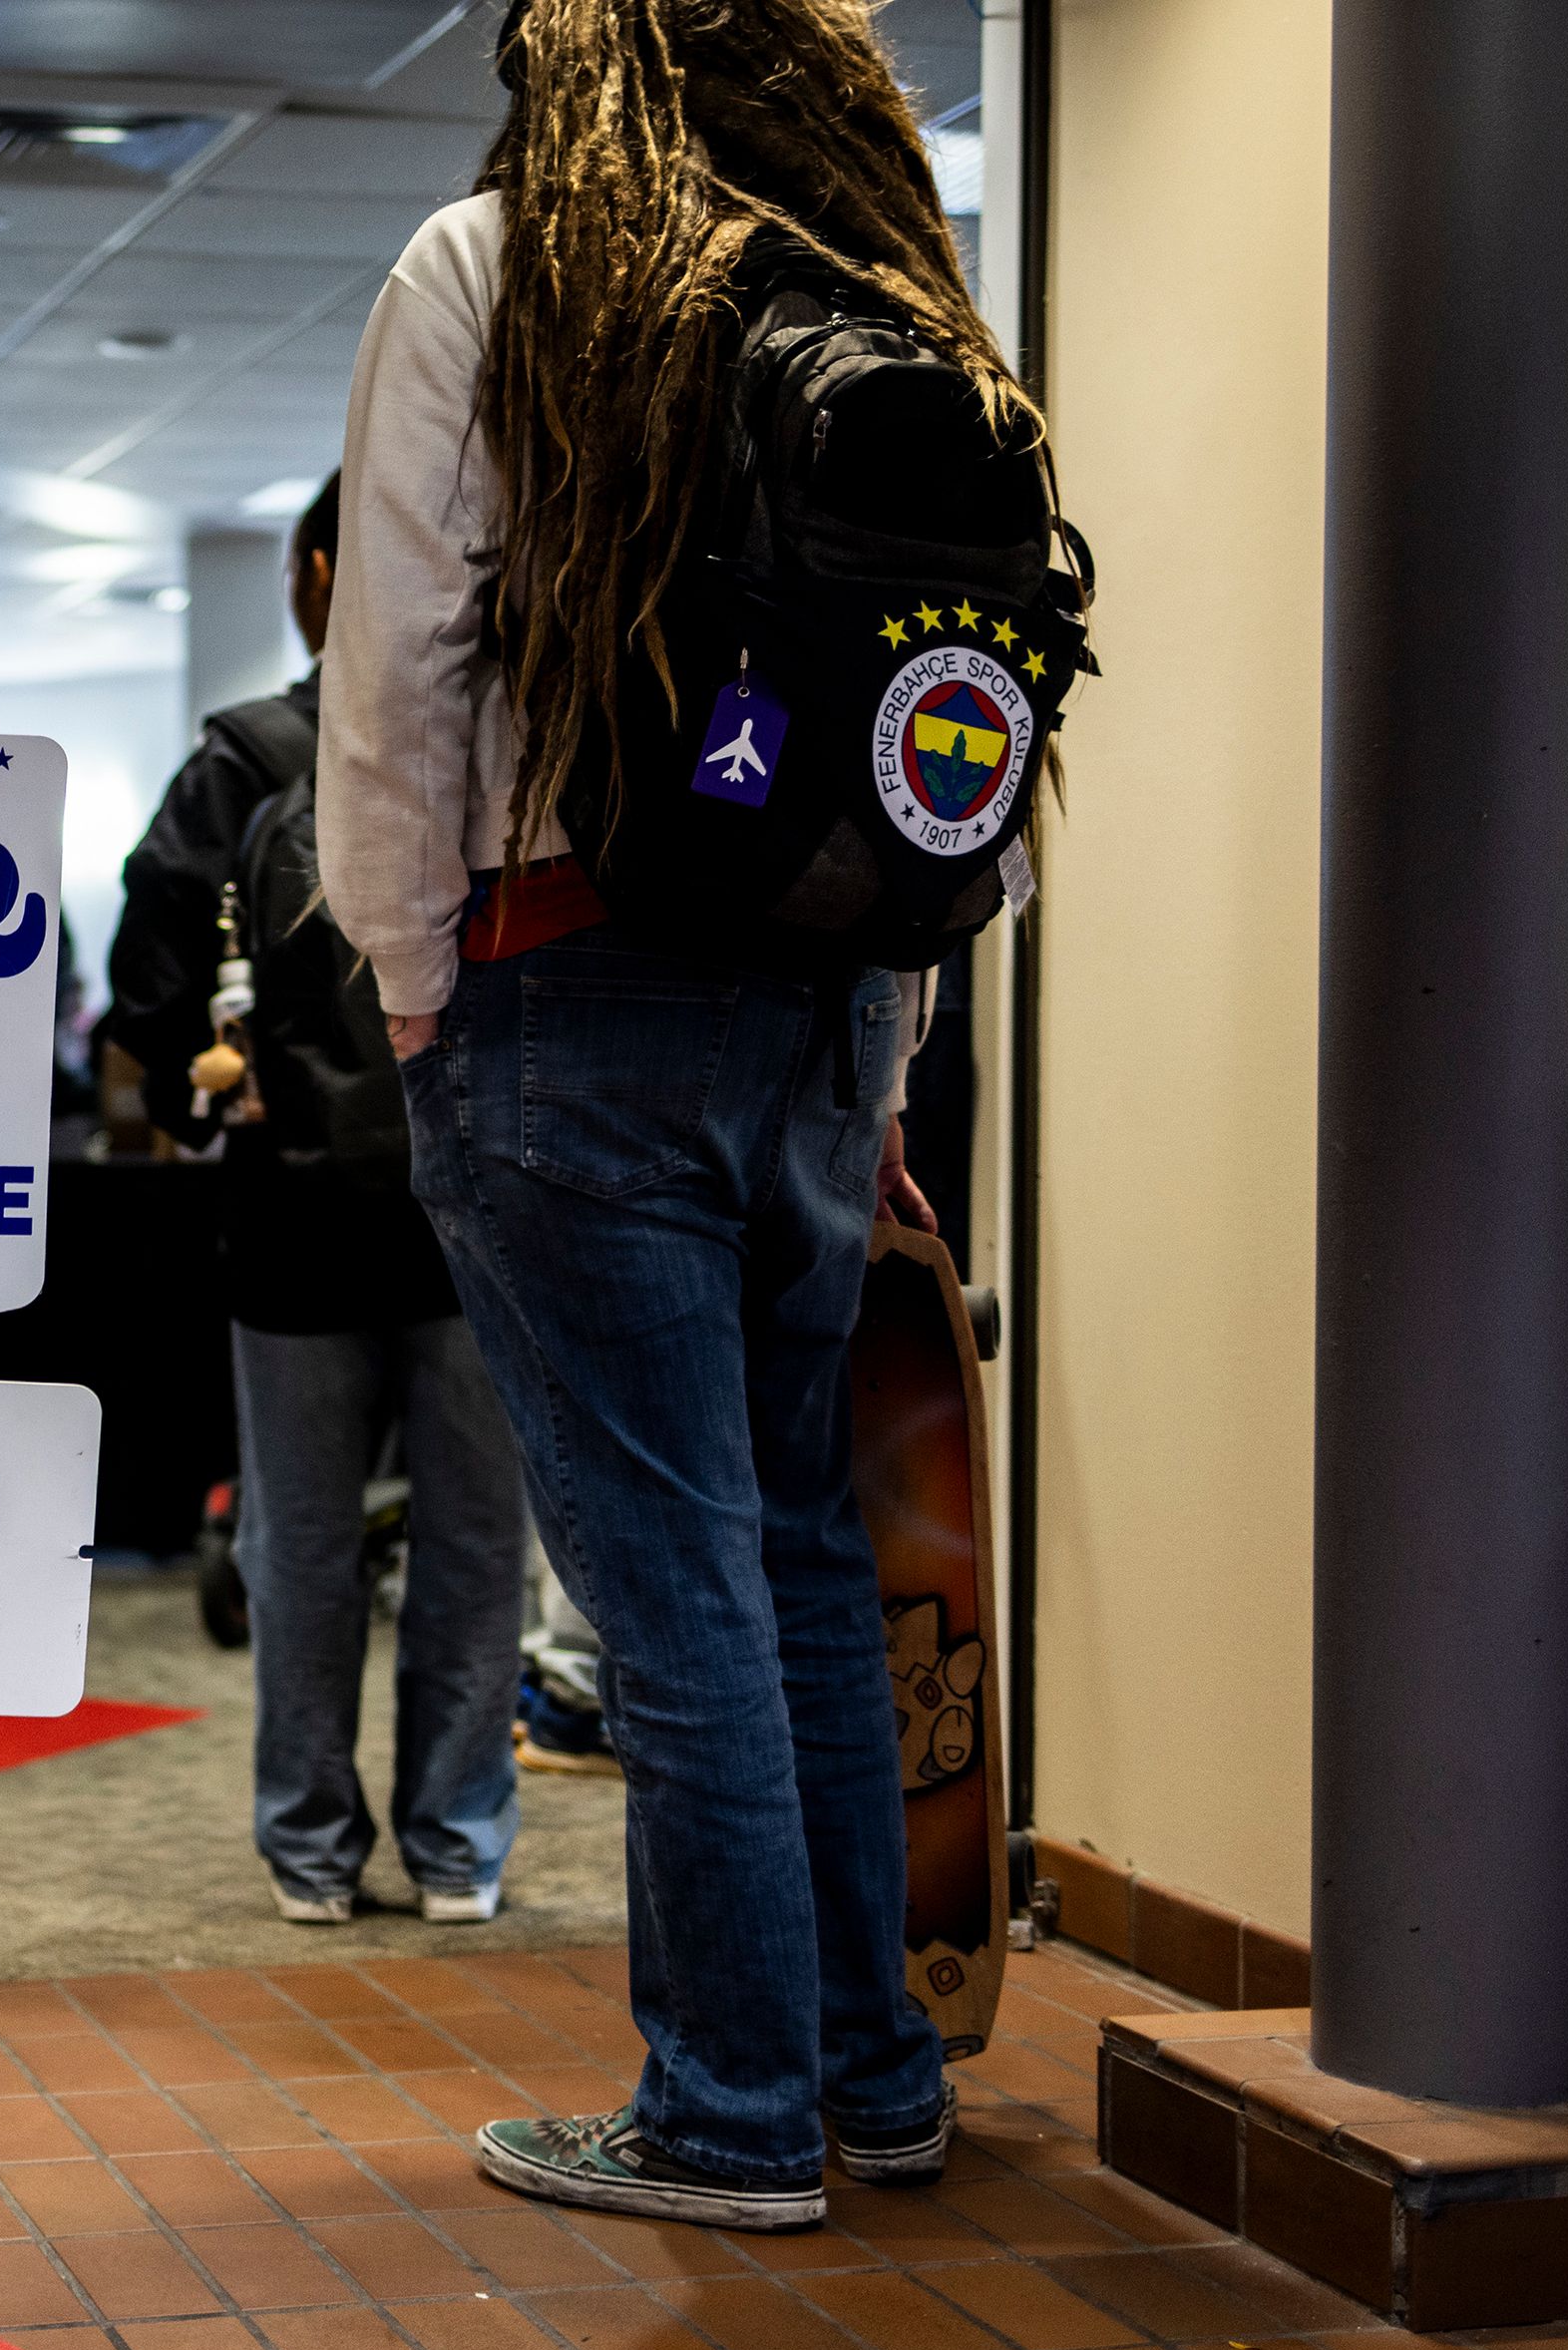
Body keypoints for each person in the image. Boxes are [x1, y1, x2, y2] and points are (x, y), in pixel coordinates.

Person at [322, 0, 997, 2231]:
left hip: (559, 986)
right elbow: (946, 716)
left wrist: (414, 987)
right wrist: (885, 1048)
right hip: (822, 1008)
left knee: (669, 1590)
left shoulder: (503, 268)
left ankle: (723, 2115)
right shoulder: (885, 290)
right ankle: (870, 2080)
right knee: (800, 1558)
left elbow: (405, 656)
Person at [107, 474, 527, 1928]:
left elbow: (147, 982)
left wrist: (193, 1095)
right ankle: (461, 1843)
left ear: (313, 575)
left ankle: (309, 1849)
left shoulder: (244, 759)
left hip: (287, 1223)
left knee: (303, 1540)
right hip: (479, 1217)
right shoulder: (497, 747)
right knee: (477, 1542)